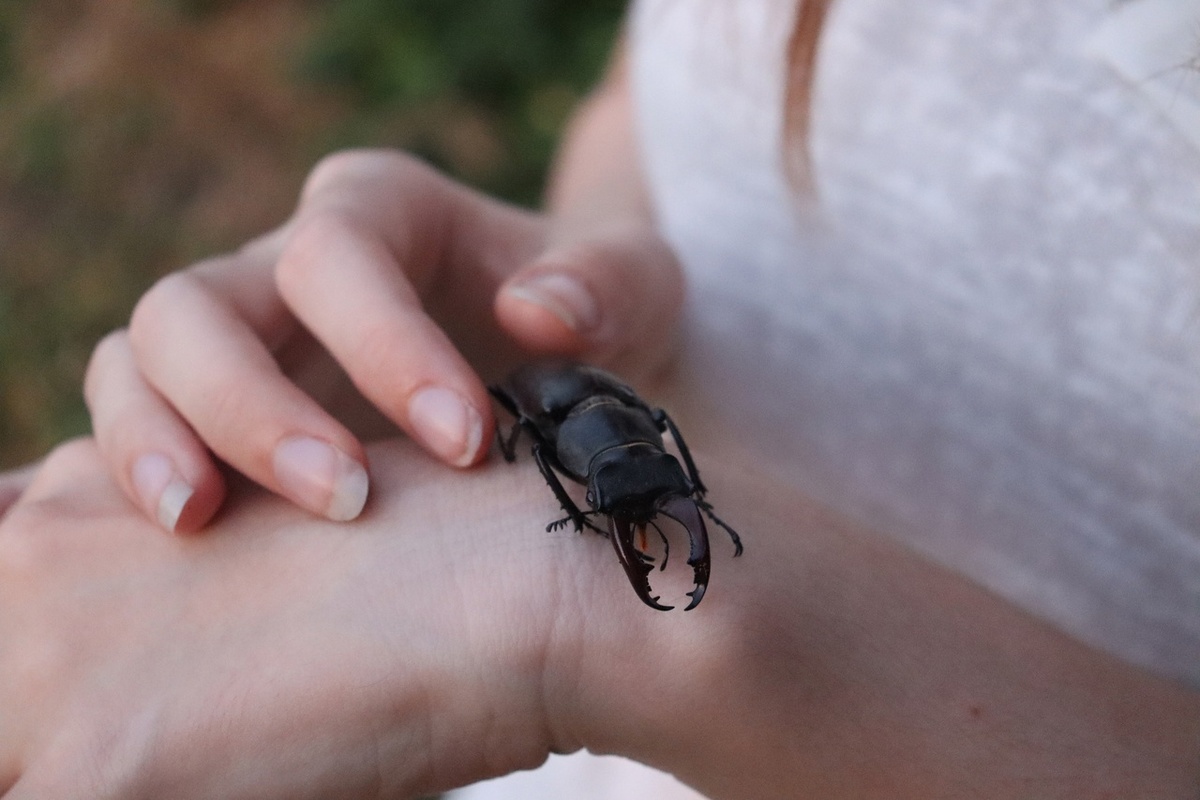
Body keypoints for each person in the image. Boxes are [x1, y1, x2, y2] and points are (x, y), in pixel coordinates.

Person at [2, 0, 1199, 796]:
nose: (642, 515)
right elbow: (644, 93)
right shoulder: (593, 452)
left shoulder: (589, 554)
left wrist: (604, 635)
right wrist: (558, 275)